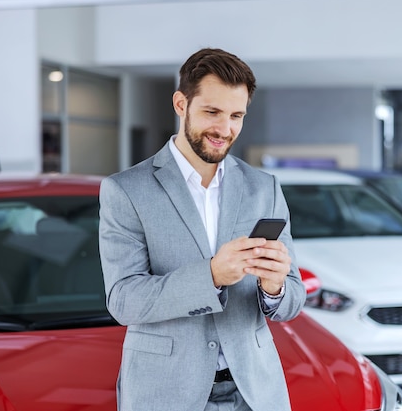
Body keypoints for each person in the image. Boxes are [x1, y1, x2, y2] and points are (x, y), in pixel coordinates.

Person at [99, 47, 306, 411]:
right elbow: (124, 301)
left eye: (236, 115)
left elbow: (291, 301)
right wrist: (211, 275)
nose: (225, 129)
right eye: (212, 112)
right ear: (181, 104)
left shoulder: (264, 187)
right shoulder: (126, 190)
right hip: (166, 394)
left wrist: (274, 287)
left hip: (254, 393)